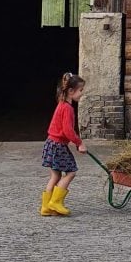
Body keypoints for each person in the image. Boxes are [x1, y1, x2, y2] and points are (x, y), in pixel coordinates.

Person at [40, 72, 87, 216]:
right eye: (80, 91)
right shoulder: (68, 108)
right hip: (58, 145)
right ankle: (55, 202)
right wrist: (79, 143)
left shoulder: (61, 104)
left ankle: (46, 207)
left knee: (55, 176)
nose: (81, 94)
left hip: (51, 143)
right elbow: (67, 130)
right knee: (71, 172)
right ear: (71, 91)